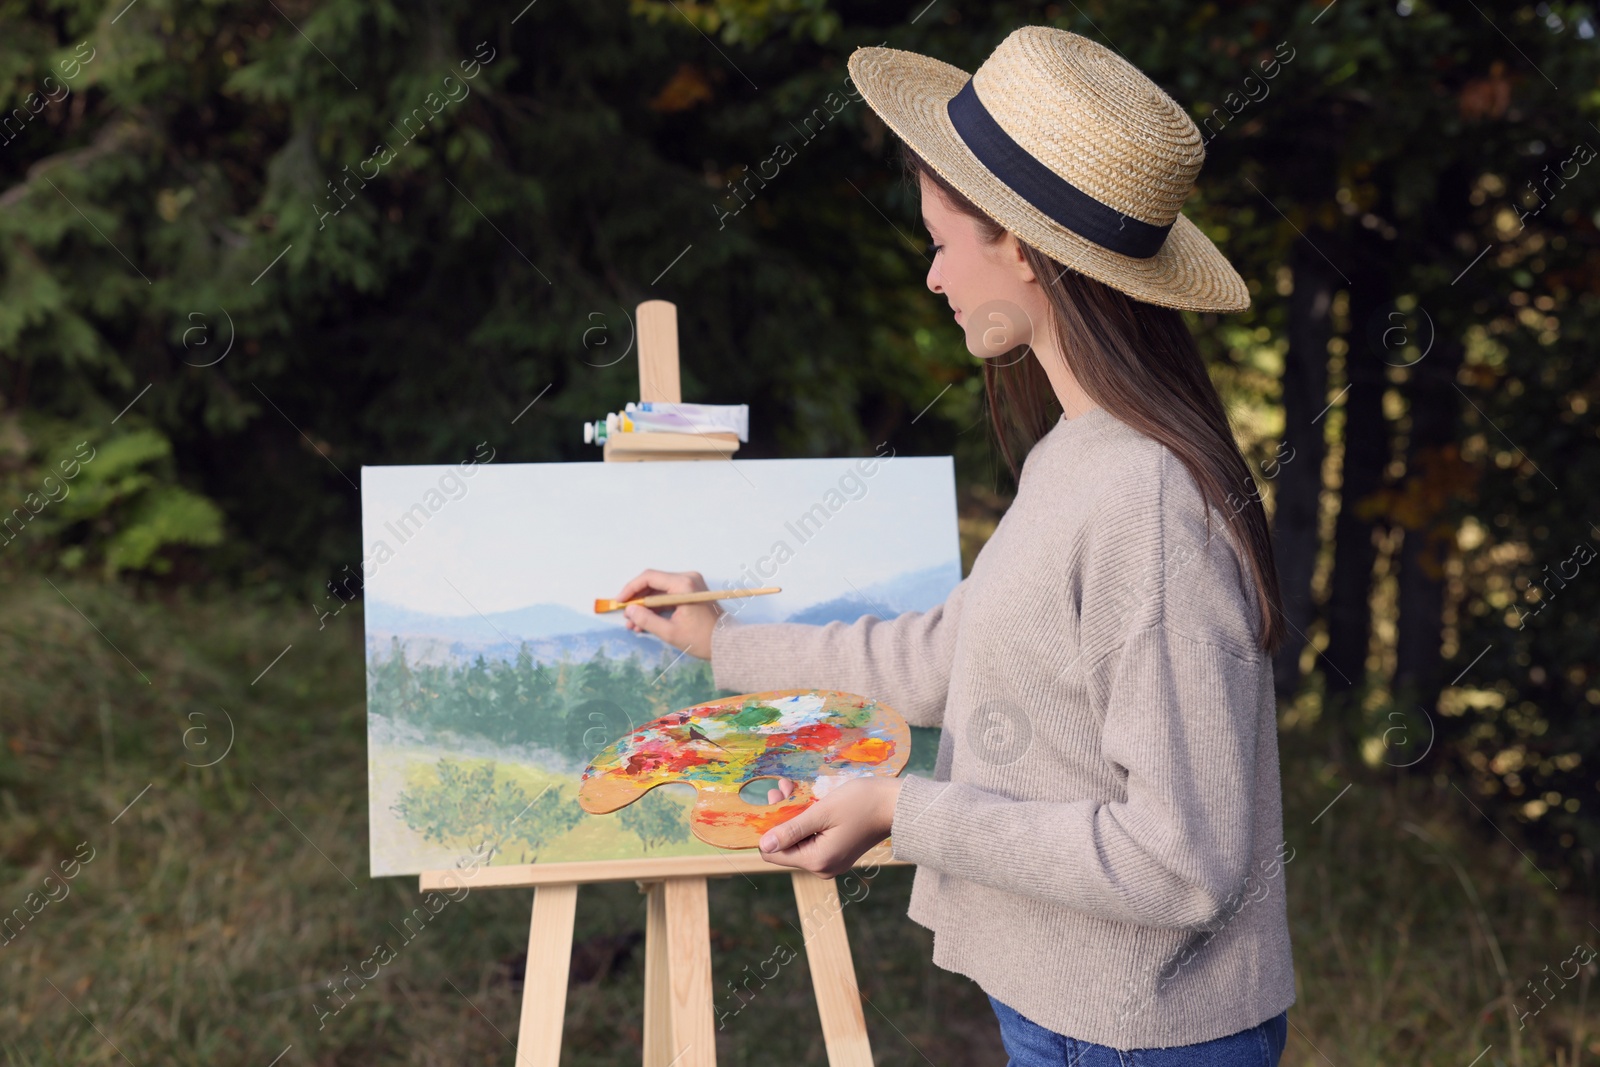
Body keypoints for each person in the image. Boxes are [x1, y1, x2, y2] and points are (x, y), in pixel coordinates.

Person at [617, 26, 1295, 1067]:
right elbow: (951, 651)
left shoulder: (1144, 499)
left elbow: (1180, 859)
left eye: (941, 241)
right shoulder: (1083, 455)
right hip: (1079, 1018)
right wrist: (723, 641)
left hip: (1136, 1037)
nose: (933, 276)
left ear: (1019, 247)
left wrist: (905, 808)